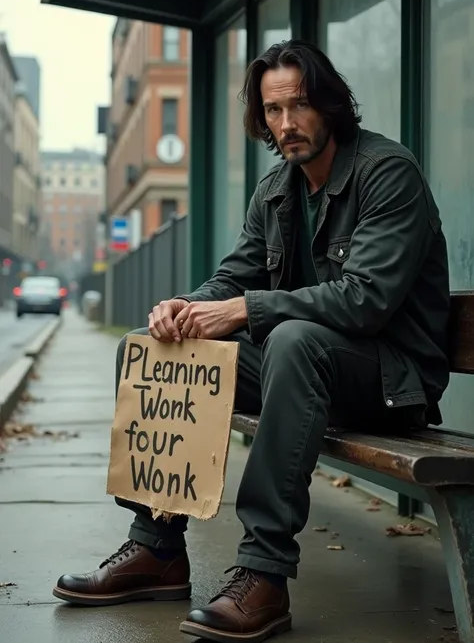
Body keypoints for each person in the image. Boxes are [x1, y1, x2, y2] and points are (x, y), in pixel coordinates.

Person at [53, 40, 450, 642]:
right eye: (272, 111)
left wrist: (246, 310)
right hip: (307, 370)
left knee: (292, 339)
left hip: (390, 382)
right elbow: (234, 277)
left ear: (331, 105)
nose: (287, 125)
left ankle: (264, 573)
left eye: (299, 107)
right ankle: (156, 547)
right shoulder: (277, 190)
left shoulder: (386, 173)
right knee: (148, 346)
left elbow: (364, 299)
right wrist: (185, 309)